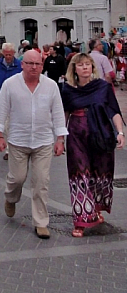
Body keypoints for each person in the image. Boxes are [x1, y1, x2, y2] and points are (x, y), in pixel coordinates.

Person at [0, 50, 67, 239]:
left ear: (42, 66)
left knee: (41, 181)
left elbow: (58, 113)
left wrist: (60, 139)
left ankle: (41, 222)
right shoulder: (10, 85)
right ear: (22, 64)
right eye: (30, 63)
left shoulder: (51, 86)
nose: (34, 67)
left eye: (38, 64)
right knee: (17, 178)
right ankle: (11, 198)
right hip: (18, 140)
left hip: (43, 141)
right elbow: (1, 111)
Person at [61, 53, 125, 237]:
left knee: (100, 171)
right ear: (74, 69)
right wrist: (59, 138)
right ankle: (80, 221)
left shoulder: (103, 87)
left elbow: (114, 111)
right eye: (81, 65)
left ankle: (95, 209)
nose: (85, 68)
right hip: (77, 133)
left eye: (88, 64)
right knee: (78, 174)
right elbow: (65, 114)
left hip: (101, 132)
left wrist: (120, 133)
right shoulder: (68, 90)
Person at [0, 43, 22, 159]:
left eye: (10, 54)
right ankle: (8, 149)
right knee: (5, 124)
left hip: (17, 98)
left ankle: (12, 148)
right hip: (1, 98)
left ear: (14, 54)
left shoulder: (19, 65)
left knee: (13, 124)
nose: (8, 57)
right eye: (6, 54)